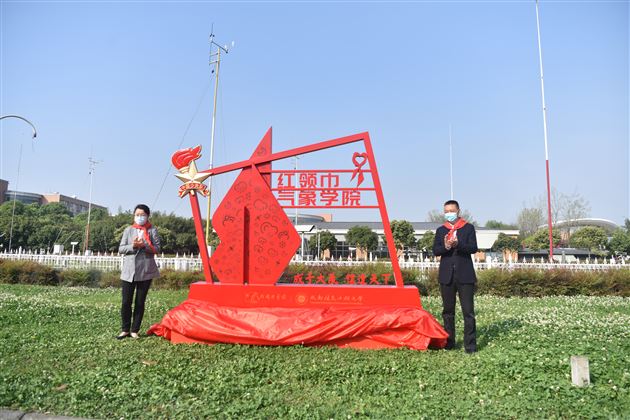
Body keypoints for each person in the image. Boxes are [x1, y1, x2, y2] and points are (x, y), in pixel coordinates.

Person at [432, 199, 478, 353]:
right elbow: (436, 250)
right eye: (446, 211)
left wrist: (458, 244)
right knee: (448, 311)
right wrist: (445, 246)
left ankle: (470, 345)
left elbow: (473, 248)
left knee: (468, 312)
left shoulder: (468, 228)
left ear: (458, 211)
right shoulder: (441, 230)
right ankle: (449, 342)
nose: (449, 214)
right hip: (447, 276)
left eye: (451, 211)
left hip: (465, 276)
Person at [116, 204, 161, 339]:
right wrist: (134, 246)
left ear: (147, 216)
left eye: (142, 215)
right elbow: (121, 249)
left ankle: (135, 329)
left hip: (146, 270)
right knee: (126, 301)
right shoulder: (128, 230)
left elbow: (157, 248)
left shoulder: (152, 230)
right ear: (134, 215)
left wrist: (144, 245)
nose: (140, 217)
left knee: (140, 301)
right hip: (129, 271)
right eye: (137, 215)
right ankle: (125, 329)